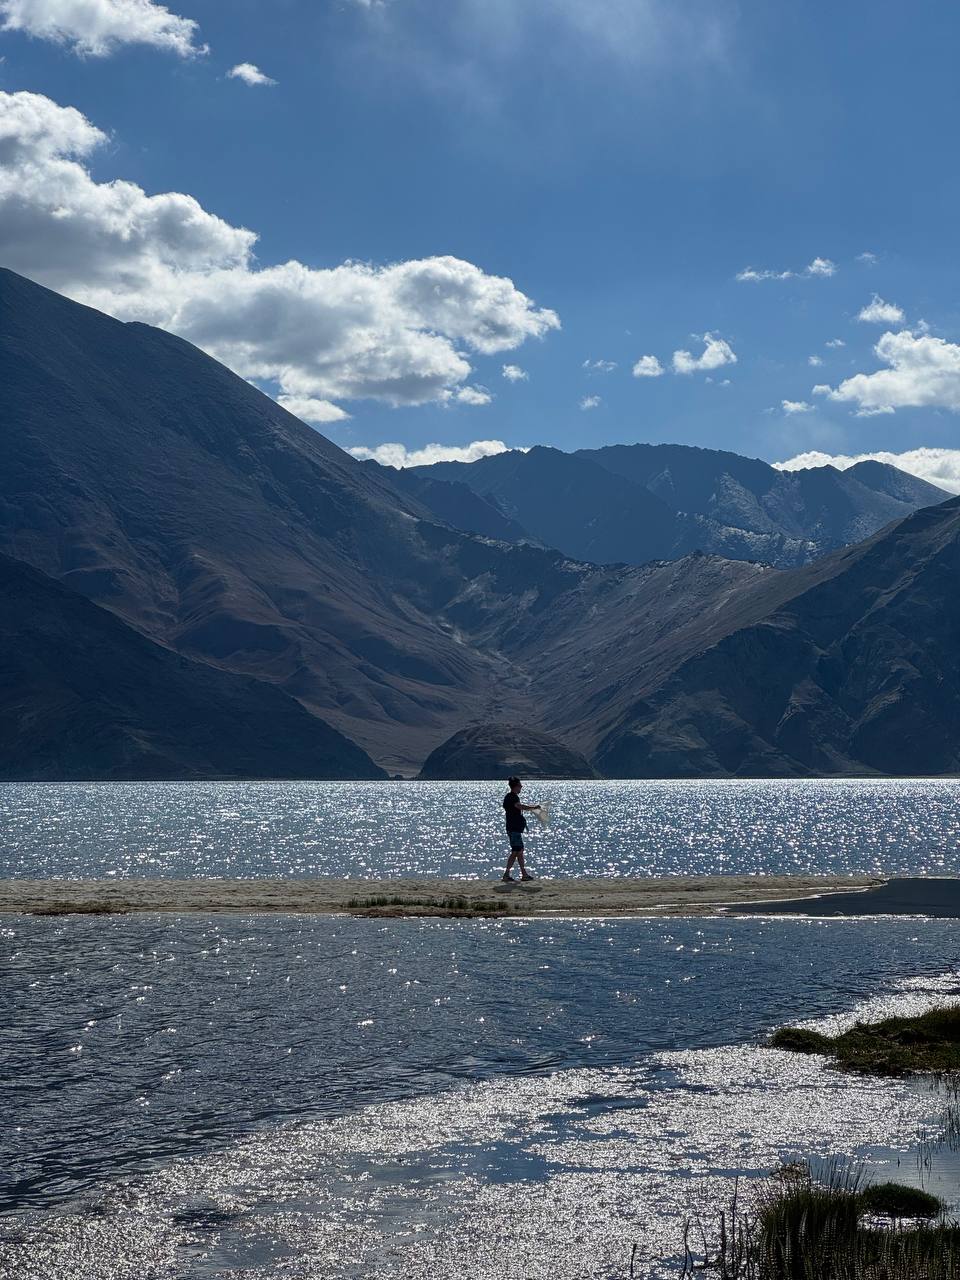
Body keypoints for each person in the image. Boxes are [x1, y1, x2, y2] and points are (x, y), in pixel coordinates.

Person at [501, 776, 541, 882]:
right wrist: (533, 808)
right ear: (516, 786)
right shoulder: (512, 797)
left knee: (519, 851)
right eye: (520, 785)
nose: (521, 787)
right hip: (513, 829)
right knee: (516, 851)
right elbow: (519, 806)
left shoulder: (509, 797)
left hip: (514, 828)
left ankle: (524, 874)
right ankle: (506, 874)